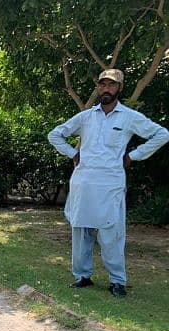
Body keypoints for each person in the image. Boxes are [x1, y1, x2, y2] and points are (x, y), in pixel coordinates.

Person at [48, 69, 169, 297]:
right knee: (81, 230)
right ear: (98, 87)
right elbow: (55, 134)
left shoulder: (129, 117)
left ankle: (117, 281)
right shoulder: (86, 116)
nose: (106, 88)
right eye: (102, 84)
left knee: (111, 232)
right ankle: (82, 276)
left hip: (110, 183)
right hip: (83, 181)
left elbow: (161, 134)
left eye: (111, 85)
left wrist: (133, 156)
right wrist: (74, 154)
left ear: (119, 88)